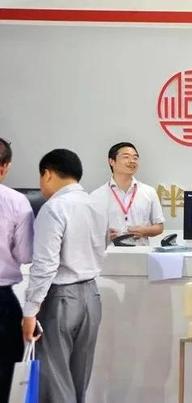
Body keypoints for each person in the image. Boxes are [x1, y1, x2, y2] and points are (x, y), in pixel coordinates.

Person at [22, 149, 108, 403]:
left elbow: (45, 264)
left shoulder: (54, 208)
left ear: (47, 174)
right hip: (91, 296)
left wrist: (30, 311)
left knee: (55, 380)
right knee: (79, 378)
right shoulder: (96, 205)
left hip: (60, 298)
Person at [0, 138, 34, 403]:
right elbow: (25, 255)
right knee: (4, 376)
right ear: (5, 166)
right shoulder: (16, 202)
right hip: (2, 303)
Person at [91, 142, 164, 245]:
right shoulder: (96, 196)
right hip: (109, 252)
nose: (132, 161)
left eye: (135, 158)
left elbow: (159, 227)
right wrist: (103, 234)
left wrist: (145, 231)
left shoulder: (149, 191)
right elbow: (88, 229)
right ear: (111, 161)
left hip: (140, 252)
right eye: (126, 157)